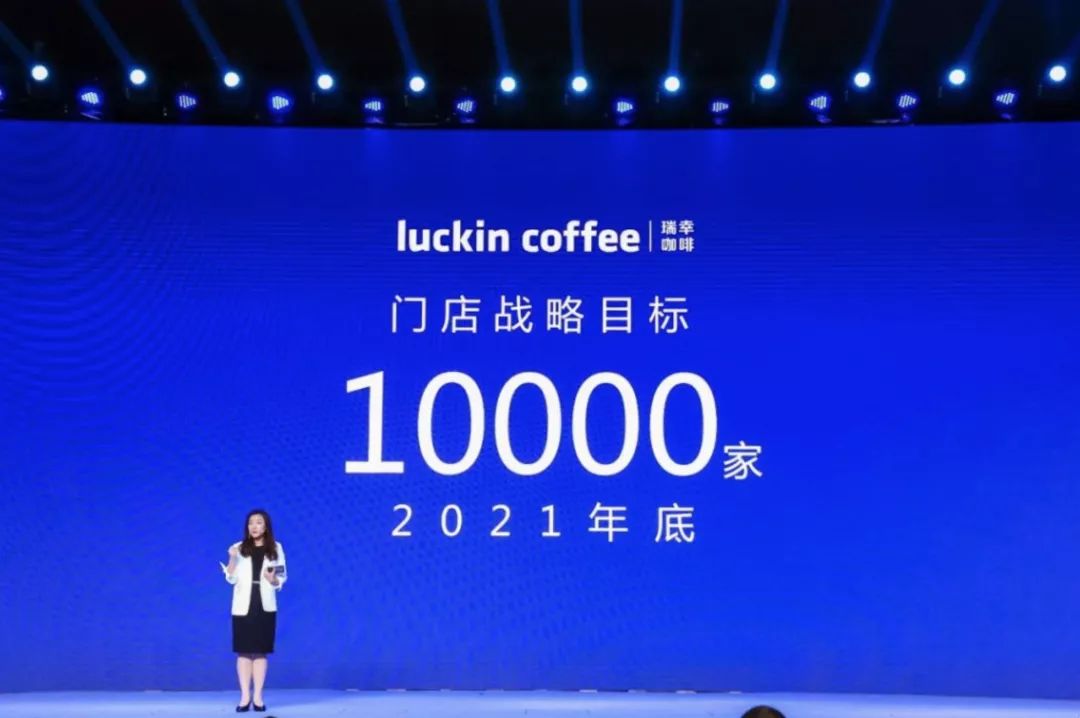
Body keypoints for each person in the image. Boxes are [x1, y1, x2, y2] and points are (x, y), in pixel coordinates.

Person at [221, 509, 287, 712]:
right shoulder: (238, 548)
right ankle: (244, 697)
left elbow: (281, 578)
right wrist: (232, 559)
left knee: (260, 652)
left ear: (266, 526)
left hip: (265, 605)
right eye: (251, 523)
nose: (254, 526)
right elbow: (230, 578)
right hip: (243, 605)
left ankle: (258, 697)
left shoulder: (276, 548)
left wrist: (273, 580)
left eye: (258, 522)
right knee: (243, 652)